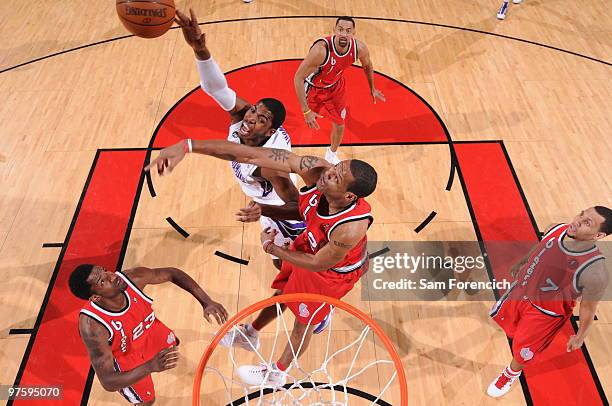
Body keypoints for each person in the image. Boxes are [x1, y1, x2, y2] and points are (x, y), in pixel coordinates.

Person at [145, 136, 377, 388]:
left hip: (332, 272)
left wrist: (272, 247)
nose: (328, 173)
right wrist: (187, 146)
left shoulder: (350, 228)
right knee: (283, 292)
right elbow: (250, 155)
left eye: (336, 177)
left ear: (349, 196)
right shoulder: (317, 170)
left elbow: (317, 264)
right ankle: (251, 334)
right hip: (311, 247)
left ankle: (277, 373)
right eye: (336, 167)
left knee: (304, 322)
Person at [174, 9, 306, 269]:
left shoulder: (271, 167)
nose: (251, 118)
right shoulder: (245, 117)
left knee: (286, 263)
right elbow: (216, 88)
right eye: (254, 110)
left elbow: (297, 206)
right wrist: (200, 50)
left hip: (277, 207)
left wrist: (264, 210)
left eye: (261, 119)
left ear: (269, 132)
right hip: (261, 199)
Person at [487, 206, 611, 398]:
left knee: (522, 351)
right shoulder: (555, 228)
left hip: (544, 315)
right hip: (522, 292)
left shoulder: (595, 272)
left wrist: (580, 336)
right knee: (506, 324)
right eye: (581, 214)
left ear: (599, 235)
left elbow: (588, 308)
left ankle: (511, 373)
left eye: (588, 222)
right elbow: (541, 247)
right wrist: (523, 262)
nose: (578, 220)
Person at [70, 264, 228, 405]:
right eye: (102, 281)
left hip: (148, 332)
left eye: (105, 271)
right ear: (95, 297)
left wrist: (206, 301)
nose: (112, 277)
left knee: (171, 345)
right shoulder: (93, 326)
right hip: (128, 358)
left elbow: (172, 273)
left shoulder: (132, 278)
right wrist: (150, 367)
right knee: (147, 401)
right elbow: (108, 381)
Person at [294, 16, 385, 164]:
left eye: (348, 31)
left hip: (336, 87)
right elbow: (298, 78)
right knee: (310, 120)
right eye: (340, 30)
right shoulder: (320, 51)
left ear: (353, 33)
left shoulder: (359, 49)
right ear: (334, 30)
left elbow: (367, 65)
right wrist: (306, 111)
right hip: (314, 88)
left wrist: (372, 88)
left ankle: (331, 154)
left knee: (340, 124)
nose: (344, 34)